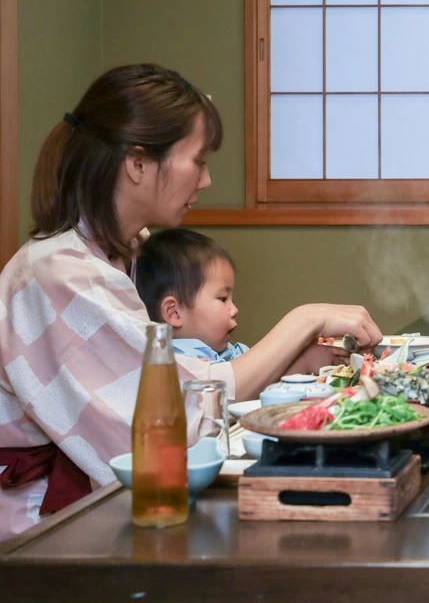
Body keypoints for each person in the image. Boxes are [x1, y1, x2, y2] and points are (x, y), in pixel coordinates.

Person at [0, 64, 383, 539]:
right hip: (45, 533)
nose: (204, 181)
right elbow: (168, 423)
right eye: (198, 161)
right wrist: (303, 319)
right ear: (138, 164)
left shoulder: (126, 252)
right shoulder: (55, 273)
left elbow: (189, 386)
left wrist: (293, 362)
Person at [135, 228, 248, 363]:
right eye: (223, 299)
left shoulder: (232, 351)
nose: (234, 310)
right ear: (174, 313)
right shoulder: (177, 364)